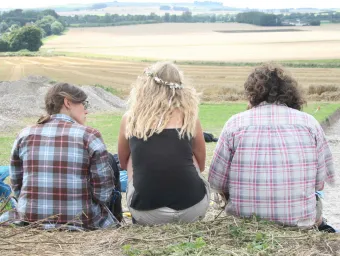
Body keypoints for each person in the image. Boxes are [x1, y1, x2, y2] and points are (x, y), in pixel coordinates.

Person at [208, 63, 336, 230]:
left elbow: (216, 182)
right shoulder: (309, 123)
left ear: (252, 93)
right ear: (290, 93)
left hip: (242, 222)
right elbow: (319, 183)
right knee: (317, 207)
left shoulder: (235, 124)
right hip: (299, 223)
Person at [0, 83, 118, 229]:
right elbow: (103, 194)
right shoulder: (89, 136)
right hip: (81, 220)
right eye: (83, 104)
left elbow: (17, 186)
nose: (86, 110)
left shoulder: (24, 134)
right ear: (67, 102)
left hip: (30, 218)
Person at [118, 62, 210, 225]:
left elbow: (124, 163)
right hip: (192, 210)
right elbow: (201, 165)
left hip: (147, 214)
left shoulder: (130, 119)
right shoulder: (190, 118)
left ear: (146, 86)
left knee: (133, 156)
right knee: (190, 155)